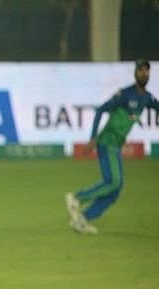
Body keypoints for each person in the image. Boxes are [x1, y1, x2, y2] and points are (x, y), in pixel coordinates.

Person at [65, 58, 159, 234]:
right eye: (141, 70)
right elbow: (101, 110)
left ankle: (83, 219)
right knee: (113, 182)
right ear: (135, 72)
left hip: (115, 145)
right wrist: (93, 138)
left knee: (115, 190)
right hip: (106, 142)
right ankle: (77, 197)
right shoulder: (124, 94)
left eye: (147, 70)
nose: (144, 73)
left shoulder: (147, 98)